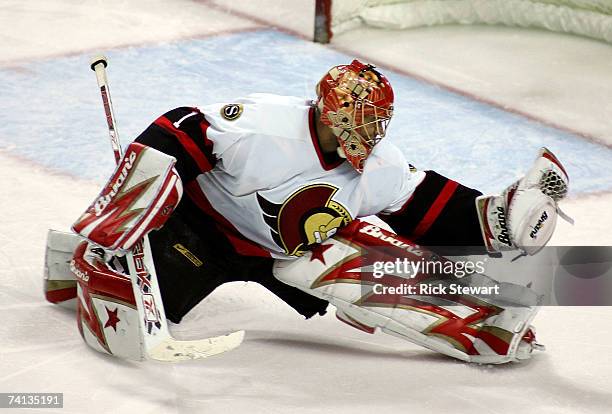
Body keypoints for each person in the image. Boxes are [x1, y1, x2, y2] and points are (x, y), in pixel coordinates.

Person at [68, 59, 569, 363]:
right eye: (362, 119)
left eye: (379, 121)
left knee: (363, 256)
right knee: (133, 303)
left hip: (286, 254)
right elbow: (181, 127)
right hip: (202, 232)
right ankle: (70, 257)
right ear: (330, 111)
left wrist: (492, 220)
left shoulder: (381, 166)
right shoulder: (265, 126)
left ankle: (481, 322)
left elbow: (423, 205)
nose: (371, 132)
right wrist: (134, 197)